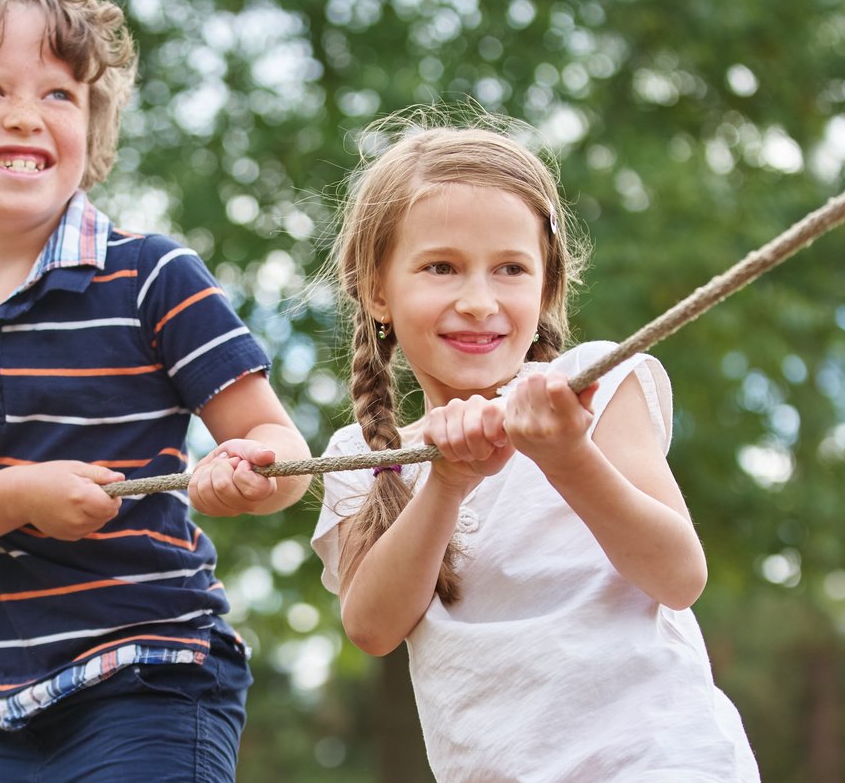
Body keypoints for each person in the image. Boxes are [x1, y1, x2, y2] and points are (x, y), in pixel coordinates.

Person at [0, 0, 312, 778]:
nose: (27, 114)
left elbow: (277, 446)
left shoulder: (151, 275)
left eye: (58, 92)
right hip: (6, 705)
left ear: (90, 128)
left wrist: (245, 475)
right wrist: (19, 497)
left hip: (157, 673)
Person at [311, 118, 759, 780]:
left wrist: (566, 457)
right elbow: (373, 628)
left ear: (545, 288)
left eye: (510, 269)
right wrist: (447, 482)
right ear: (379, 290)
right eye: (442, 267)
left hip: (660, 761)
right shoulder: (364, 457)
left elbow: (678, 576)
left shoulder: (593, 386)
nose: (477, 300)